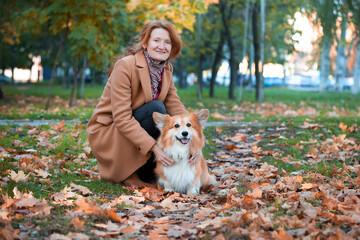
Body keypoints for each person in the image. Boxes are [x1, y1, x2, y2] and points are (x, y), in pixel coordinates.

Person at [86, 20, 189, 187]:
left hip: (138, 133)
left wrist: (191, 137)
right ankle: (128, 174)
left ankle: (148, 173)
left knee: (169, 120)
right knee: (156, 109)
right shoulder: (126, 66)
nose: (162, 46)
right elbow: (121, 118)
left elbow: (175, 105)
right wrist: (154, 147)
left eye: (167, 42)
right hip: (112, 132)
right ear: (145, 43)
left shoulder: (166, 69)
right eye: (156, 40)